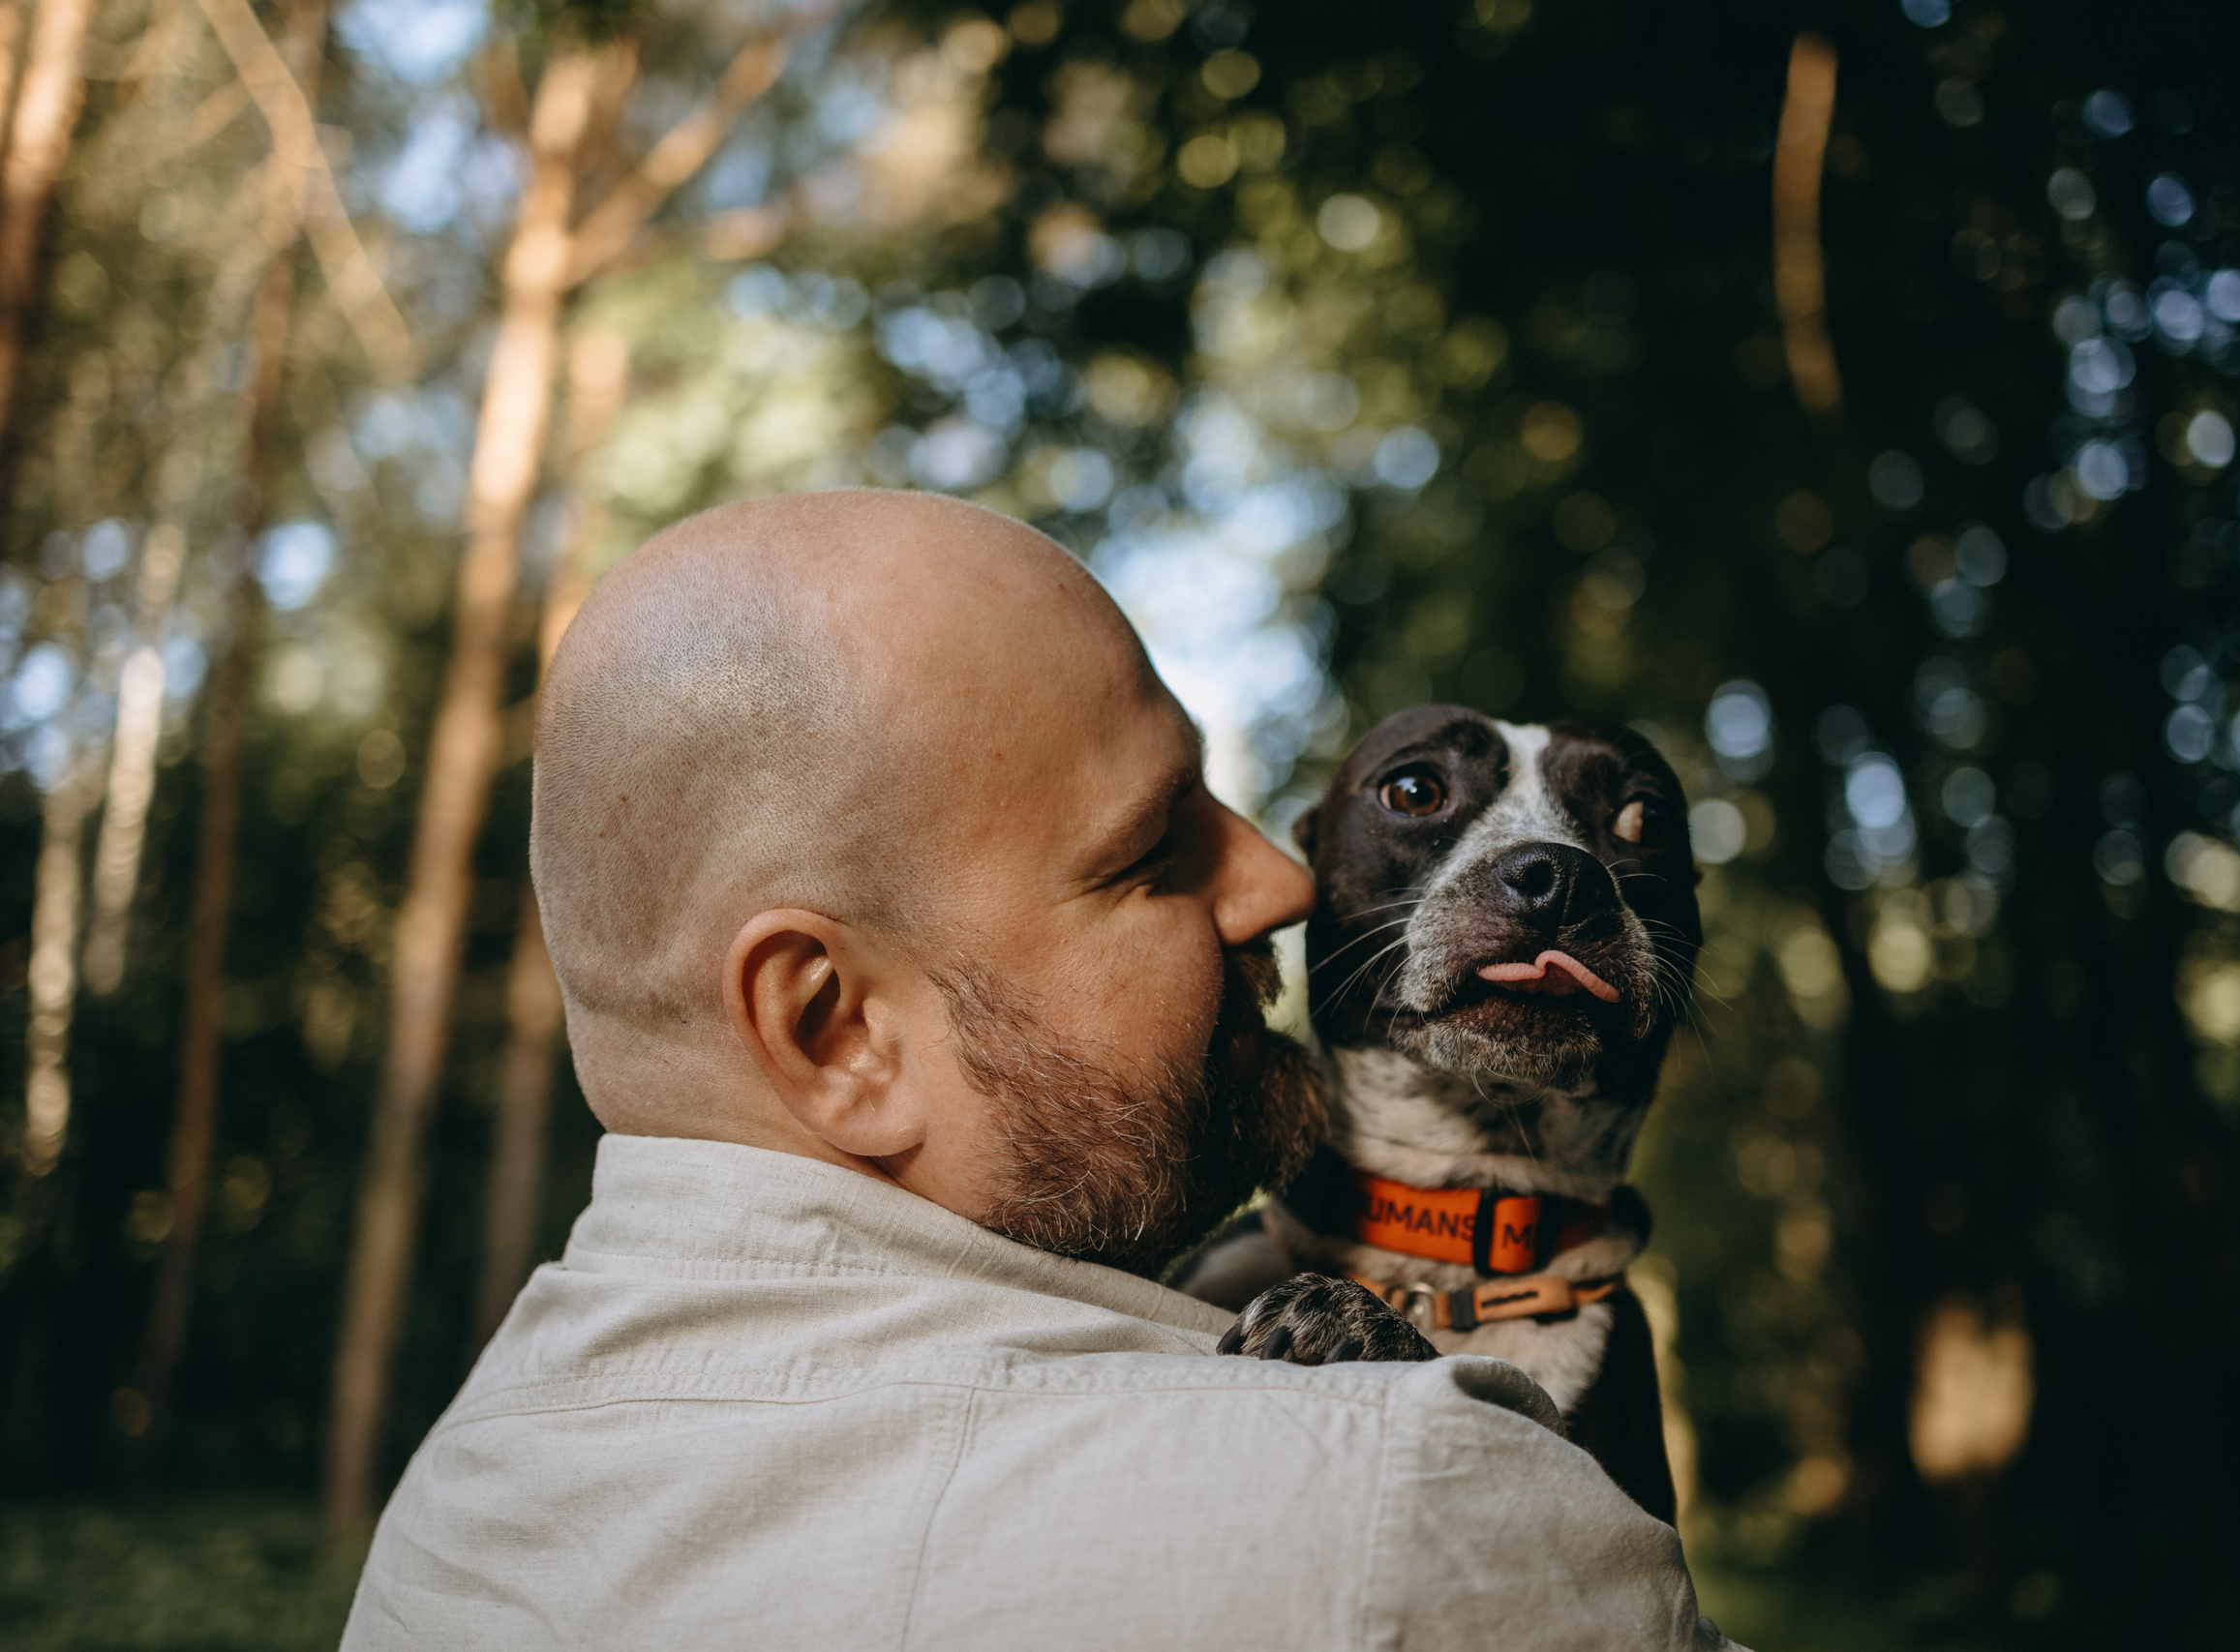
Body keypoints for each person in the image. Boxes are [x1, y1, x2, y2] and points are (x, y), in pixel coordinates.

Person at [341, 490, 1741, 1650]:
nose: (1281, 882)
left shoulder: (457, 1512)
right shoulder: (1414, 1513)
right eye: (1149, 851)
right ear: (835, 1029)